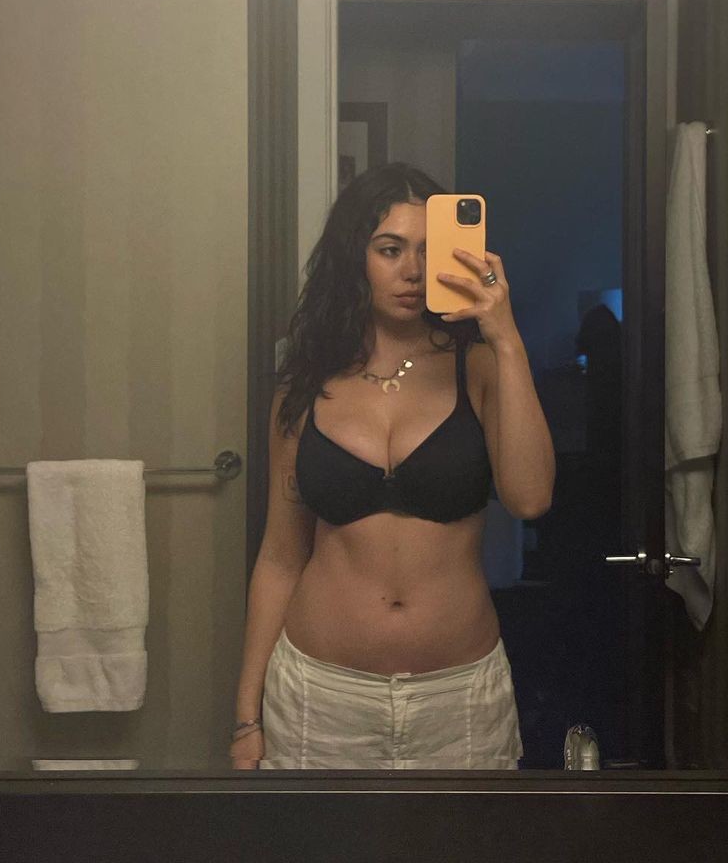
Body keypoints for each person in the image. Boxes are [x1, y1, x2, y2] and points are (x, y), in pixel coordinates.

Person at [231, 162, 555, 770]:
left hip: (458, 701)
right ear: (354, 259)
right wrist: (247, 717)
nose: (412, 270)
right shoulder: (304, 389)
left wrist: (506, 338)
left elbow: (531, 497)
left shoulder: (480, 370)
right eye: (390, 249)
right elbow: (279, 557)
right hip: (320, 697)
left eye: (429, 250)